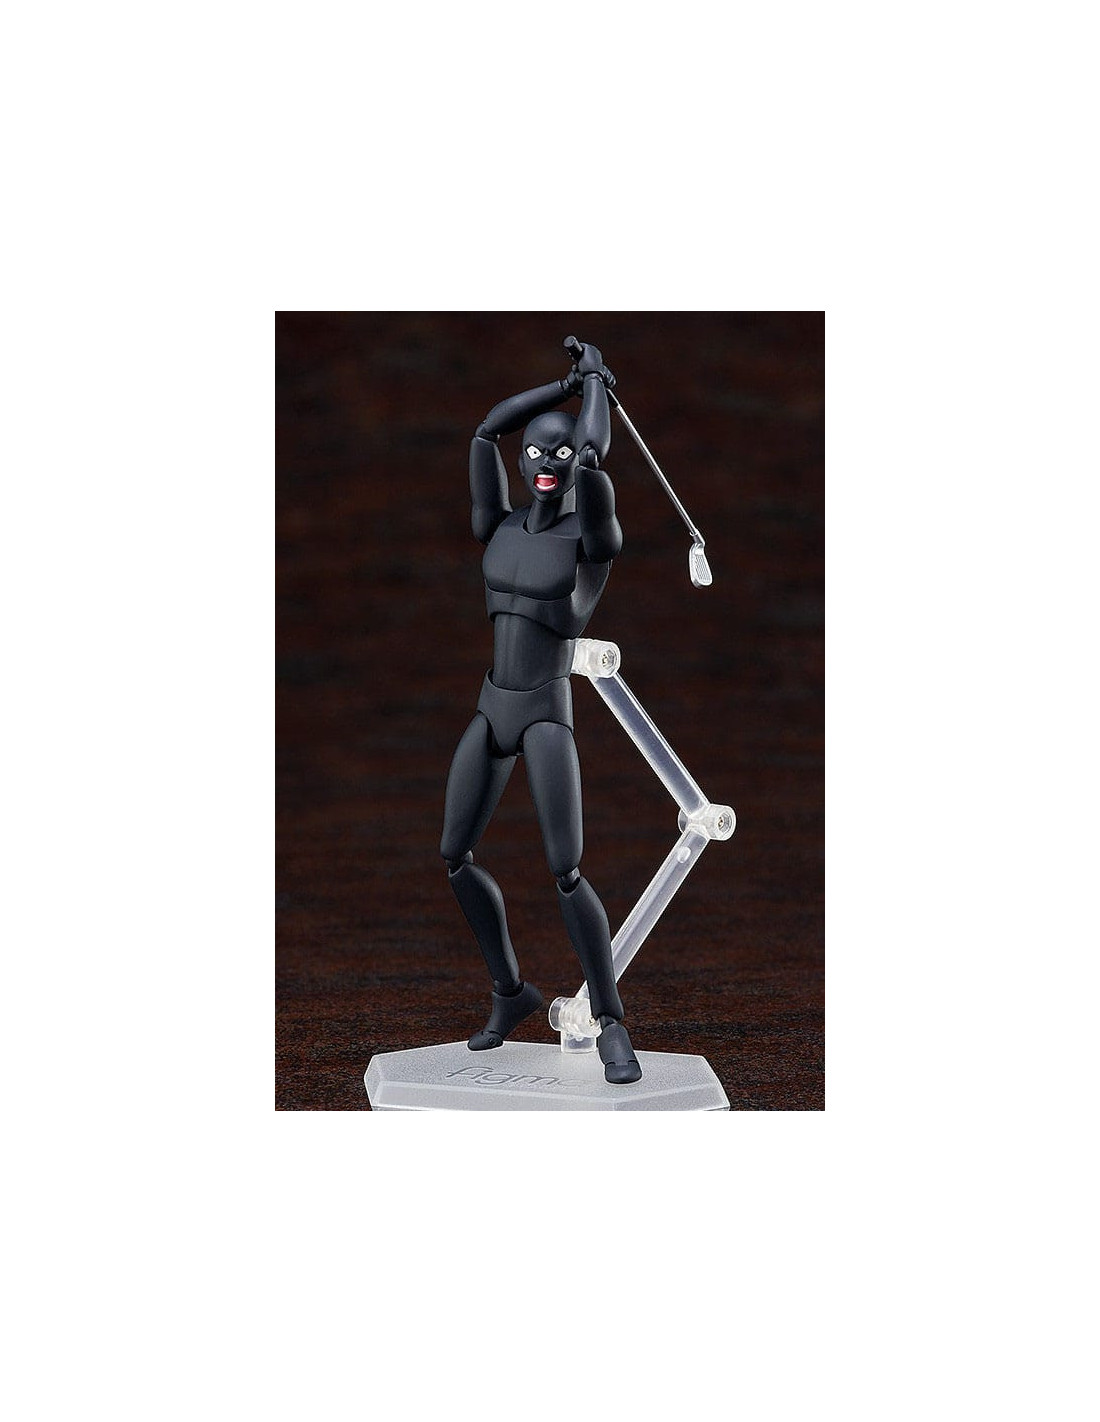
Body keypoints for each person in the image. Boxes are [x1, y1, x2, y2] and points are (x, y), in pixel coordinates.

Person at [439, 340, 642, 1084]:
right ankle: (510, 992)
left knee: (566, 870)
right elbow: (486, 429)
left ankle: (612, 1022)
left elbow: (591, 457)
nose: (546, 463)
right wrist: (562, 382)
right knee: (454, 856)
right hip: (492, 705)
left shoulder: (587, 535)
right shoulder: (498, 523)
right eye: (535, 453)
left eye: (557, 453)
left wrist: (592, 388)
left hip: (546, 712)